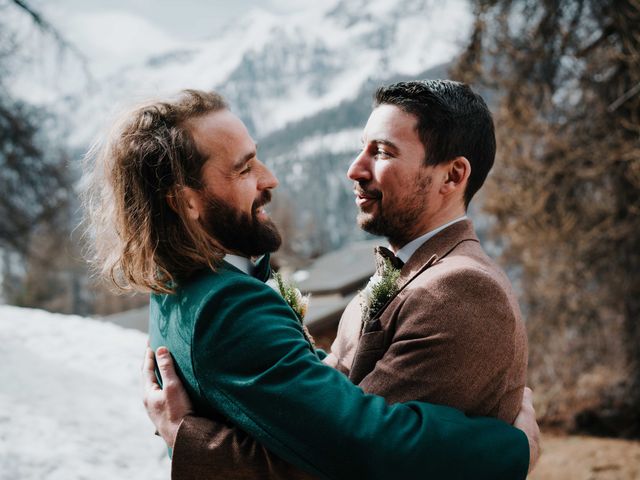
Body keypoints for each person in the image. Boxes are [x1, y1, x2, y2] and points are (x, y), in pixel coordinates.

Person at [85, 87, 538, 479]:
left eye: (381, 151)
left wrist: (188, 438)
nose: (270, 178)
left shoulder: (460, 289)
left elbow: (341, 438)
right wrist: (513, 449)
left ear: (453, 175)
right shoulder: (227, 303)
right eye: (244, 169)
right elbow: (358, 448)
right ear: (185, 203)